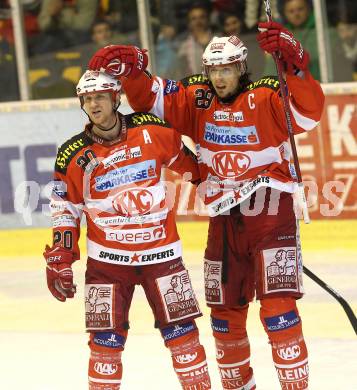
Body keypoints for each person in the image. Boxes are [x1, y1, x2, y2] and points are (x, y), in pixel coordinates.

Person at [88, 19, 325, 389]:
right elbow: (150, 98)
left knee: (278, 310)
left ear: (241, 67)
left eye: (227, 69)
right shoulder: (197, 97)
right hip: (223, 219)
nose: (219, 77)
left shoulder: (264, 95)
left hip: (269, 211)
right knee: (224, 317)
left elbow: (309, 113)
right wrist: (133, 70)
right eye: (213, 70)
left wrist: (295, 66)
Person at [43, 68, 212, 390]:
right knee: (104, 346)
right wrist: (61, 257)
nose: (94, 105)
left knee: (184, 339)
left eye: (100, 97)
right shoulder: (72, 154)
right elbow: (65, 208)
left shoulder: (152, 130)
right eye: (87, 99)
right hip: (107, 264)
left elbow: (192, 166)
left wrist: (222, 194)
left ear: (115, 98)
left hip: (162, 255)